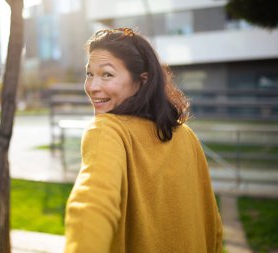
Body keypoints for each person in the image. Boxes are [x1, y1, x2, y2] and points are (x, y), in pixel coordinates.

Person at [64, 28, 223, 253]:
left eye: (107, 74)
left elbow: (90, 208)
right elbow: (213, 225)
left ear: (141, 81)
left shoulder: (107, 130)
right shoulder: (186, 136)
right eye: (89, 74)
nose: (92, 87)